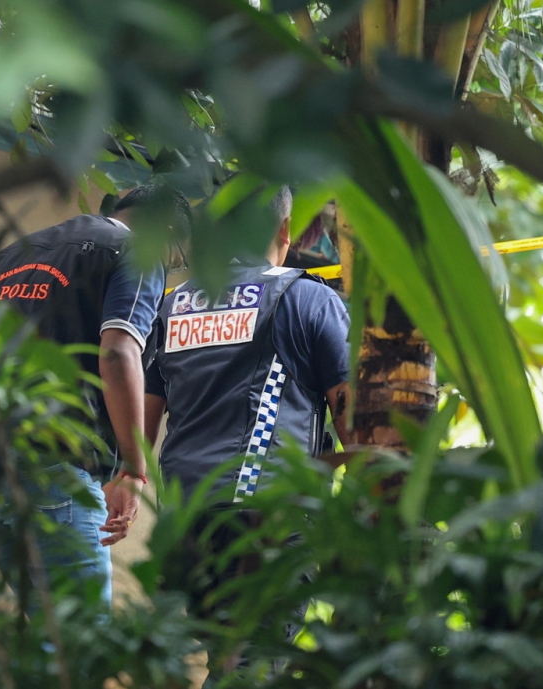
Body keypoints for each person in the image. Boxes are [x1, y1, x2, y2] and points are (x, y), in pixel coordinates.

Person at [143, 186, 354, 670]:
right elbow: (355, 425)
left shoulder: (172, 307)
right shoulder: (305, 298)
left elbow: (145, 421)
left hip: (185, 517)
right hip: (265, 514)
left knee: (223, 659)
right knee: (252, 665)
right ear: (284, 231)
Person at [0, 184, 191, 606]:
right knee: (73, 641)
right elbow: (117, 352)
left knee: (9, 640)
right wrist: (133, 467)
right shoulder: (134, 253)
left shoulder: (7, 256)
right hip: (57, 467)